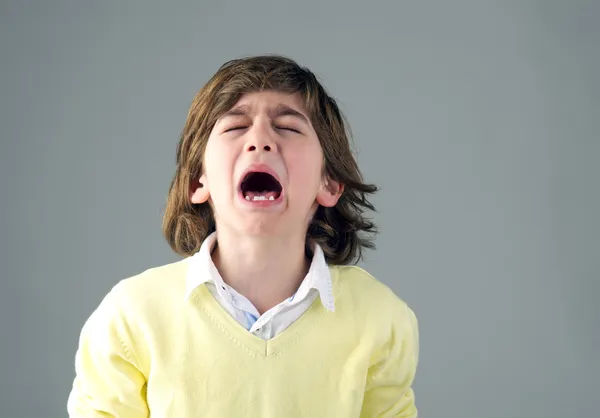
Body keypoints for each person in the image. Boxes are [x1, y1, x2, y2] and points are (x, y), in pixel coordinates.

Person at [67, 55, 419, 417]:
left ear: (328, 183)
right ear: (197, 181)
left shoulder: (381, 318)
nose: (260, 140)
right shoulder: (131, 317)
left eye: (288, 127)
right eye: (235, 127)